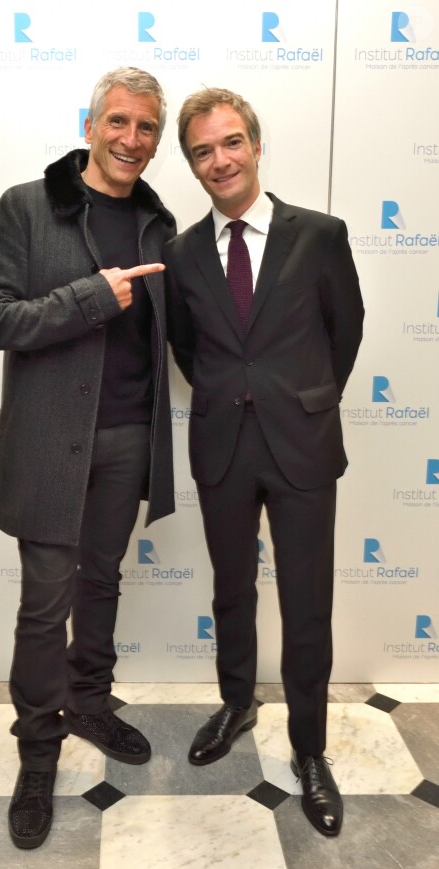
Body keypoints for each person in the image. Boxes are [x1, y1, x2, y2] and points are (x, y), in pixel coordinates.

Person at [0, 67, 175, 850]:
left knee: (103, 580)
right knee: (42, 603)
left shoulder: (159, 220)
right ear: (91, 124)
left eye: (147, 128)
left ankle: (89, 699)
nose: (131, 139)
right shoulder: (28, 205)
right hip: (50, 442)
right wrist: (91, 296)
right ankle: (37, 748)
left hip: (128, 437)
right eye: (118, 122)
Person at [164, 88, 364, 837]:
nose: (220, 159)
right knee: (231, 590)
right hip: (222, 442)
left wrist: (304, 397)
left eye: (232, 142)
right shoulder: (182, 253)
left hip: (303, 442)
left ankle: (309, 748)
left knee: (308, 601)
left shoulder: (320, 234)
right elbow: (188, 347)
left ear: (255, 145)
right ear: (192, 164)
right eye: (203, 151)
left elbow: (346, 329)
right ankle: (238, 701)